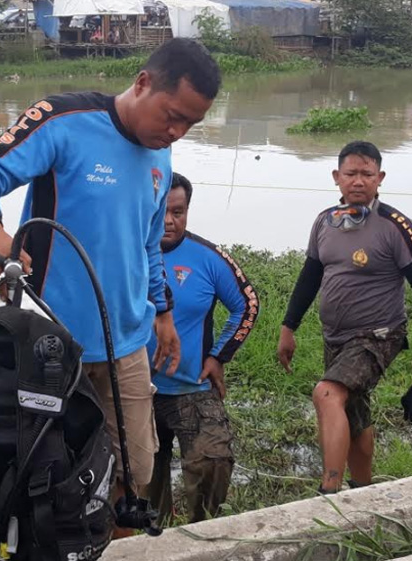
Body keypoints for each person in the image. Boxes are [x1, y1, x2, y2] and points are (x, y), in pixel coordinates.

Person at [0, 38, 221, 522]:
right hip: (49, 344)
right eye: (172, 115)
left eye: (190, 124)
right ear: (142, 83)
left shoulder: (161, 160)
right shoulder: (63, 120)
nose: (177, 132)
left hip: (128, 347)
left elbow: (146, 245)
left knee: (132, 475)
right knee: (41, 476)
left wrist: (162, 313)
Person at [277, 140, 412, 494]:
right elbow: (310, 277)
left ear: (380, 178)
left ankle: (329, 494)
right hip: (335, 336)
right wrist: (288, 327)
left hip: (378, 335)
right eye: (350, 173)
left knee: (327, 394)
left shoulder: (396, 226)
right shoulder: (325, 222)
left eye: (367, 174)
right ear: (337, 177)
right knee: (355, 416)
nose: (358, 181)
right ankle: (364, 490)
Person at [145, 173, 259, 525]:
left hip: (191, 386)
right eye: (161, 211)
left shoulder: (209, 257)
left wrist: (218, 356)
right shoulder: (123, 254)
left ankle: (201, 532)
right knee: (138, 477)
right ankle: (155, 529)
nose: (168, 221)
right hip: (136, 388)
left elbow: (247, 304)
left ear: (188, 211)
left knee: (213, 461)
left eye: (178, 212)